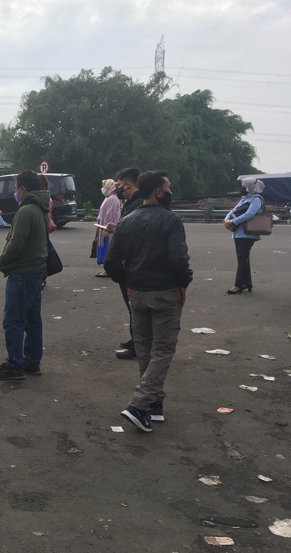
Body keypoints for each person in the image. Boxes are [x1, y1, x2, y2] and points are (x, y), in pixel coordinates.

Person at [103, 171, 192, 433]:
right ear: (158, 191)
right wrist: (184, 282)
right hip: (164, 293)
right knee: (162, 350)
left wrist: (128, 280)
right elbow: (178, 259)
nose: (170, 191)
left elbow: (111, 262)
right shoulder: (171, 220)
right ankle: (139, 405)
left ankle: (155, 405)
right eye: (168, 187)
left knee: (145, 349)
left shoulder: (127, 220)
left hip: (137, 293)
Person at [0, 170, 50, 379]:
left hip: (23, 272)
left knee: (13, 320)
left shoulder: (25, 211)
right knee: (32, 319)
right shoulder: (41, 208)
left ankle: (14, 364)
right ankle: (32, 361)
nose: (15, 192)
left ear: (23, 189)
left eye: (16, 188)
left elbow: (16, 243)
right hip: (36, 270)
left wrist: (2, 262)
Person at [109, 167, 143, 359]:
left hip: (130, 264)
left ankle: (138, 346)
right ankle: (136, 339)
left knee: (135, 307)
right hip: (130, 262)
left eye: (120, 185)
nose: (118, 189)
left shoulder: (137, 204)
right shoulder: (133, 203)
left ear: (128, 184)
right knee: (133, 307)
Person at [223, 178, 266, 294]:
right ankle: (247, 283)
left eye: (244, 186)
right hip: (239, 233)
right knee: (243, 258)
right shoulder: (245, 199)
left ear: (251, 187)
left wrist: (232, 222)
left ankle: (238, 285)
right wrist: (226, 219)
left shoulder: (256, 199)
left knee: (242, 258)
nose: (242, 188)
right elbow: (233, 210)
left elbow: (250, 214)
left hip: (247, 234)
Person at [94, 179, 121, 277]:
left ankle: (108, 270)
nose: (103, 189)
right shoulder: (109, 198)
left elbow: (110, 215)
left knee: (108, 248)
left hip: (107, 229)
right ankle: (107, 269)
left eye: (105, 186)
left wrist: (106, 228)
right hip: (103, 227)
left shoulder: (113, 199)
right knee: (106, 247)